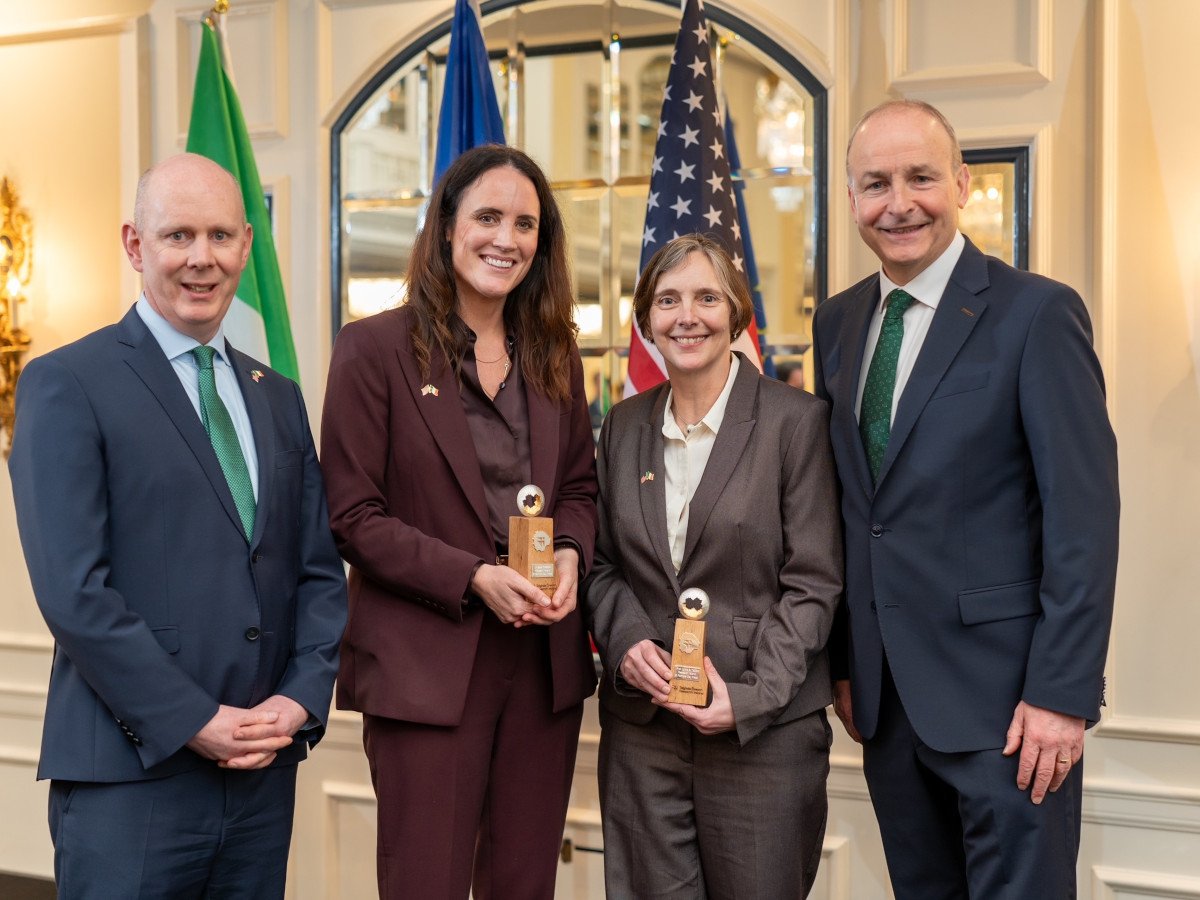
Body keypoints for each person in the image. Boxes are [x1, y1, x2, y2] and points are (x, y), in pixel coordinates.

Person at [8, 153, 348, 898]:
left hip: (262, 774)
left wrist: (300, 699)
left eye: (221, 236)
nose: (203, 259)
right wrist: (194, 719)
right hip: (132, 778)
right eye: (179, 236)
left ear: (247, 247)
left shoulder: (278, 397)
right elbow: (74, 593)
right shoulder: (67, 383)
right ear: (135, 245)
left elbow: (317, 571)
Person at [812, 99, 1119, 899]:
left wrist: (1061, 694)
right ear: (850, 199)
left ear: (962, 183)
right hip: (884, 707)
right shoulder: (839, 324)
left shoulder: (1036, 313)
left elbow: (1083, 520)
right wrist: (847, 663)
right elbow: (854, 509)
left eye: (920, 177)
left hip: (1010, 711)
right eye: (875, 183)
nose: (898, 202)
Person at [321, 144, 598, 900]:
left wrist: (571, 550)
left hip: (543, 666)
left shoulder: (556, 354)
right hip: (428, 668)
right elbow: (351, 514)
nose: (505, 238)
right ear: (447, 227)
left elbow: (578, 485)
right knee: (426, 884)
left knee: (523, 885)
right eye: (486, 217)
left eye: (525, 224)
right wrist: (472, 576)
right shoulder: (372, 349)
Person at [584, 234, 843, 898]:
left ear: (735, 314)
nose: (686, 317)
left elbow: (813, 581)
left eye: (705, 298)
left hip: (761, 736)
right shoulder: (623, 425)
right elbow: (604, 564)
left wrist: (749, 697)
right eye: (667, 301)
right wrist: (625, 640)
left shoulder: (797, 422)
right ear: (646, 320)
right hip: (644, 735)